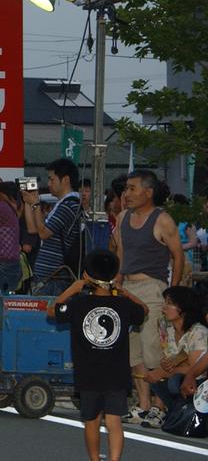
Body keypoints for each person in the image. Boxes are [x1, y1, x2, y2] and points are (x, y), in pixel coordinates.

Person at [50, 250, 147, 461]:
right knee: (114, 422)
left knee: (91, 421)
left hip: (88, 374)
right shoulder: (122, 305)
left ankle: (95, 459)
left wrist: (73, 288)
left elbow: (52, 311)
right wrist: (123, 291)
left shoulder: (78, 304)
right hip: (116, 374)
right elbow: (144, 310)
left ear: (86, 275)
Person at [112, 169, 183, 428]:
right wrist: (117, 281)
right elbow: (120, 253)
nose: (127, 193)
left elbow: (178, 255)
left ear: (148, 192)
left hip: (153, 289)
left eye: (132, 188)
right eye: (126, 189)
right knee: (133, 350)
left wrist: (171, 294)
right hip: (127, 286)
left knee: (153, 347)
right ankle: (142, 405)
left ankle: (159, 405)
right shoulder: (122, 218)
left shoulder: (162, 219)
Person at [142, 286, 208, 418]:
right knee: (156, 379)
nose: (163, 307)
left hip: (199, 381)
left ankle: (187, 413)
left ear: (183, 310)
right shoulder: (167, 330)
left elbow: (197, 369)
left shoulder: (198, 331)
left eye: (169, 304)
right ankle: (177, 412)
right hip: (184, 375)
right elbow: (172, 358)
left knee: (172, 381)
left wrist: (164, 371)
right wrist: (166, 364)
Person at [24, 157, 84, 296]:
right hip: (49, 277)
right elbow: (34, 229)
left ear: (65, 180)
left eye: (51, 179)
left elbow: (44, 233)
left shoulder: (69, 205)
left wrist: (36, 204)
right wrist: (29, 202)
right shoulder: (62, 205)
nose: (48, 183)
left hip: (55, 279)